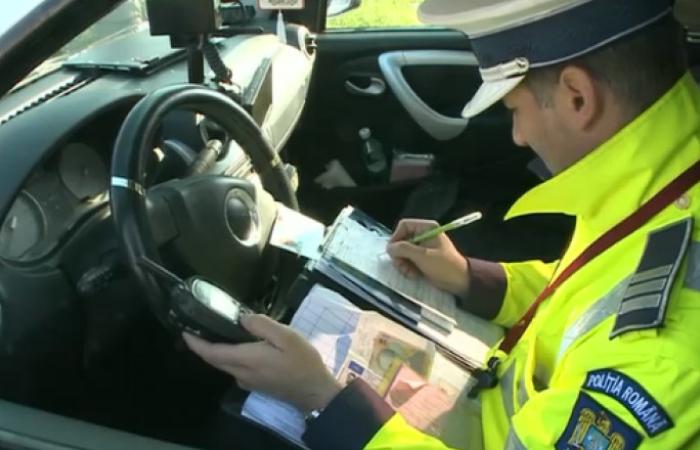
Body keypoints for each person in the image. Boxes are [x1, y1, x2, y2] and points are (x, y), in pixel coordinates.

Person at [184, 0, 700, 448]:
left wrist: (323, 399)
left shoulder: (663, 355)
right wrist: (471, 277)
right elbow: (589, 296)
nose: (517, 136)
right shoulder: (664, 182)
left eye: (513, 108)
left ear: (577, 98)